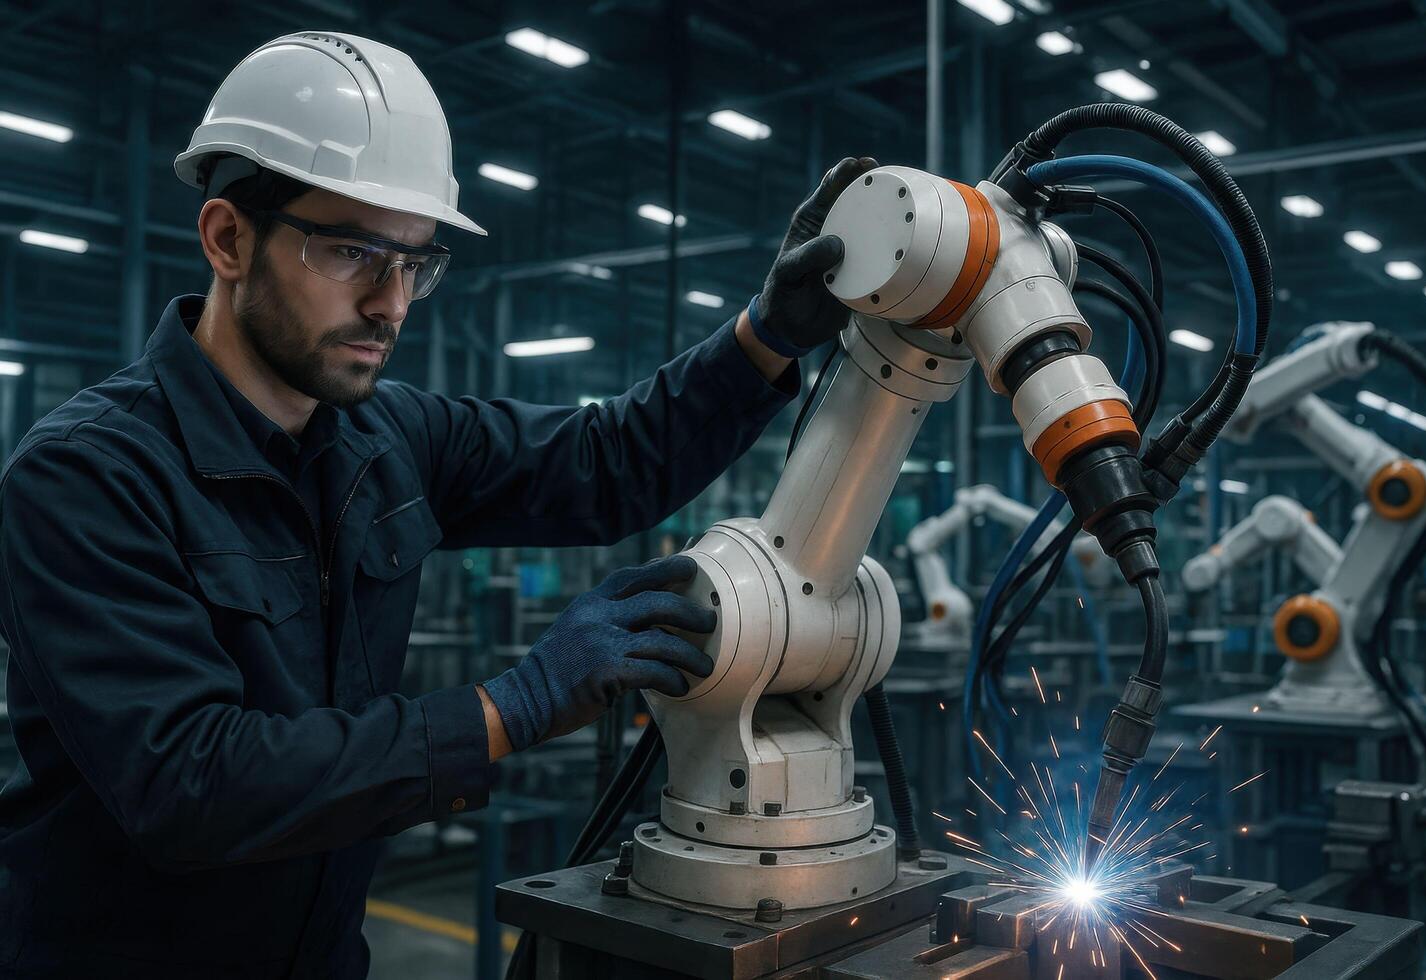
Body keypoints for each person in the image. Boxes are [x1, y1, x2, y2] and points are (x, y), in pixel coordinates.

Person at [0, 31, 875, 979]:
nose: (392, 303)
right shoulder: (87, 478)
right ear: (227, 237)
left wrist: (763, 339)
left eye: (415, 263)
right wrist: (509, 708)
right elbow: (192, 784)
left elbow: (605, 460)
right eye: (351, 251)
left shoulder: (389, 438)